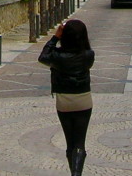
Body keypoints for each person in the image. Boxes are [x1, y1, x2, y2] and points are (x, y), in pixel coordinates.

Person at [38, 19, 95, 176]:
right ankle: (77, 174)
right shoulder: (89, 55)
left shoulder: (57, 56)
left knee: (70, 142)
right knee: (79, 142)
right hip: (83, 99)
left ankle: (73, 172)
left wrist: (55, 37)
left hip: (64, 101)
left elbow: (43, 57)